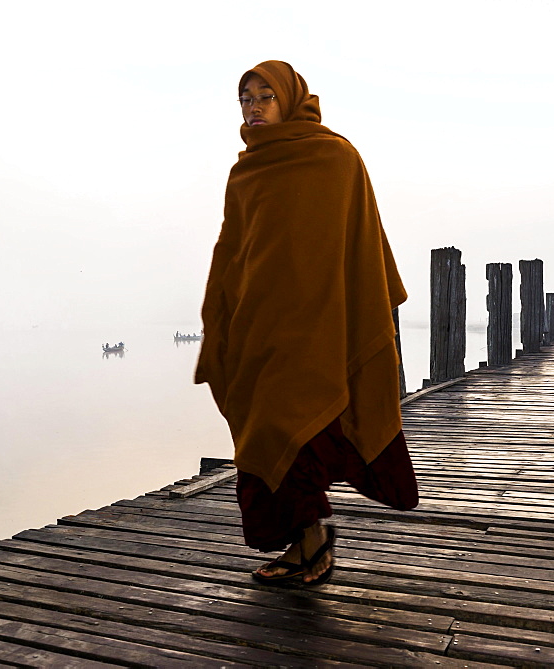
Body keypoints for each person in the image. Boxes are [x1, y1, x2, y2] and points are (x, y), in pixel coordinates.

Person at [195, 60, 418, 587]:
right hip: (258, 329)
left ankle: (315, 543)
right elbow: (233, 251)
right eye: (244, 99)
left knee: (297, 431)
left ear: (290, 98)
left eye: (264, 96)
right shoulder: (244, 171)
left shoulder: (334, 157)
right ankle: (303, 543)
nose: (253, 108)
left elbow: (361, 244)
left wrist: (356, 312)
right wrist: (221, 317)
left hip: (318, 328)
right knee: (262, 434)